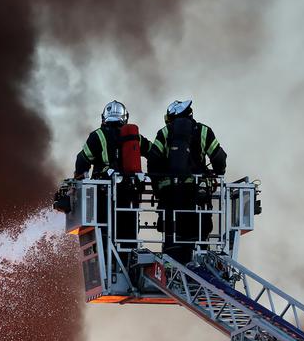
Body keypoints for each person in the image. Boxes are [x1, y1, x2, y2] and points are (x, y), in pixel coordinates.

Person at [146, 100, 226, 264]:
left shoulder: (165, 132)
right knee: (199, 235)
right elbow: (219, 158)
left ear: (171, 117)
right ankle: (201, 262)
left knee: (173, 237)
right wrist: (216, 174)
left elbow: (153, 160)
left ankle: (170, 266)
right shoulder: (204, 131)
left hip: (170, 198)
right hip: (198, 197)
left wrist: (159, 187)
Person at [74, 100, 149, 246]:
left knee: (102, 231)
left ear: (104, 117)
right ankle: (128, 258)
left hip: (103, 194)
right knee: (128, 233)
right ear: (125, 117)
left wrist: (79, 180)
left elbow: (82, 159)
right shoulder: (134, 137)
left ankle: (108, 256)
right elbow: (154, 152)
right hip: (128, 194)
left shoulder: (97, 136)